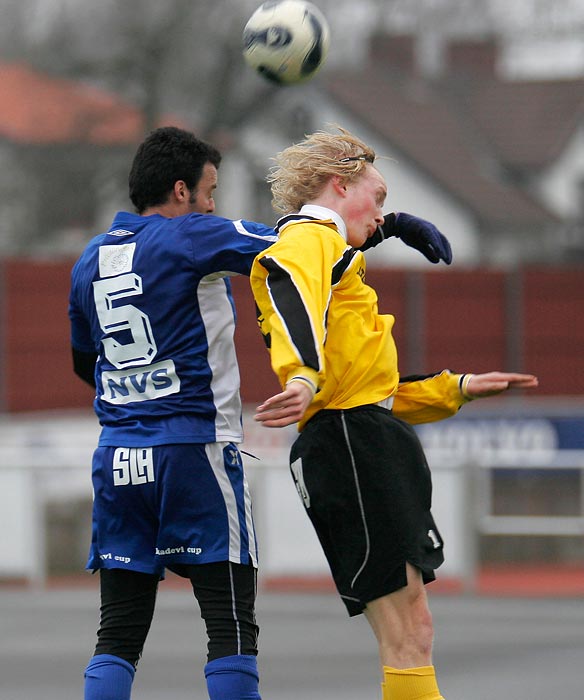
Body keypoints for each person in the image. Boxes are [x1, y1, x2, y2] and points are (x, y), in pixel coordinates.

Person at [68, 125, 453, 700]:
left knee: (118, 632)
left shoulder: (88, 262)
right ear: (181, 193)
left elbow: (84, 363)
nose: (213, 203)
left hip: (119, 456)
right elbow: (293, 246)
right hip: (194, 448)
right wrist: (387, 226)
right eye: (209, 191)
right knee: (230, 627)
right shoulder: (194, 236)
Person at [249, 126, 539, 700]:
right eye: (378, 198)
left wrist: (455, 389)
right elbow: (282, 278)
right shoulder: (308, 238)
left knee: (412, 632)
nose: (384, 215)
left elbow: (368, 387)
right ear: (339, 184)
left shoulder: (334, 252)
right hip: (353, 444)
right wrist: (302, 373)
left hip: (362, 435)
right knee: (411, 631)